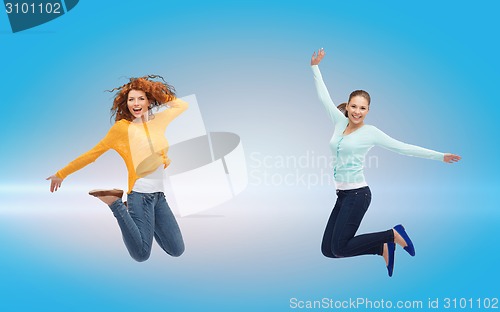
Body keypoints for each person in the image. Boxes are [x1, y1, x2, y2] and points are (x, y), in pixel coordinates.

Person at [310, 48, 461, 276]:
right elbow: (324, 97)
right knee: (328, 250)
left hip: (358, 195)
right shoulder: (339, 123)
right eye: (353, 106)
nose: (357, 112)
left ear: (368, 110)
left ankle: (392, 234)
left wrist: (440, 156)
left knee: (340, 246)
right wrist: (315, 67)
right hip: (342, 196)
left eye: (362, 108)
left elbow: (403, 148)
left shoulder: (371, 133)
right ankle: (381, 248)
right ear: (348, 106)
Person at [46, 75, 188, 262]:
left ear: (149, 100)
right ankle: (115, 203)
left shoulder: (158, 121)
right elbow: (92, 154)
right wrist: (61, 174)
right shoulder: (122, 129)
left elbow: (181, 106)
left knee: (177, 250)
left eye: (141, 98)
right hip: (140, 195)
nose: (135, 103)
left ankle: (135, 218)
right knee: (141, 254)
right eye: (131, 99)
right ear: (126, 103)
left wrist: (156, 92)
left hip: (159, 197)